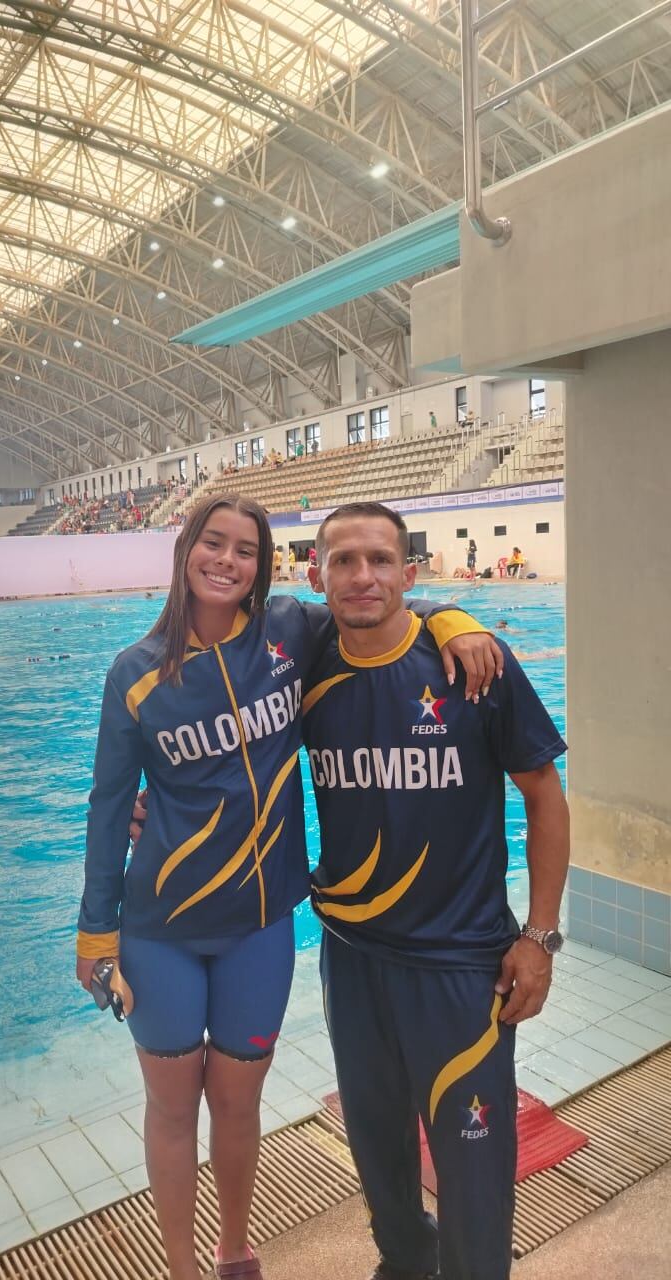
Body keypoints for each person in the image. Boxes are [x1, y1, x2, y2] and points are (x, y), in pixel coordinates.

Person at [77, 494, 499, 1280]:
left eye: (245, 550)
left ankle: (236, 1253)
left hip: (263, 927)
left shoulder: (287, 633)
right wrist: (94, 932)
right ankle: (179, 1268)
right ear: (186, 549)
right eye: (214, 543)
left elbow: (373, 600)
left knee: (238, 1106)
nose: (226, 561)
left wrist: (453, 618)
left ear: (263, 566)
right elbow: (108, 807)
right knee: (173, 1110)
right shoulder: (133, 676)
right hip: (161, 929)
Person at [305, 502, 569, 1280]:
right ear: (316, 576)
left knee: (475, 1173)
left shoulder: (473, 666)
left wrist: (540, 936)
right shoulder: (307, 670)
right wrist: (156, 802)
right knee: (378, 1150)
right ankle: (404, 1262)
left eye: (381, 560)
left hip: (461, 969)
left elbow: (544, 792)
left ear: (410, 574)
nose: (363, 576)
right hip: (351, 959)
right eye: (344, 561)